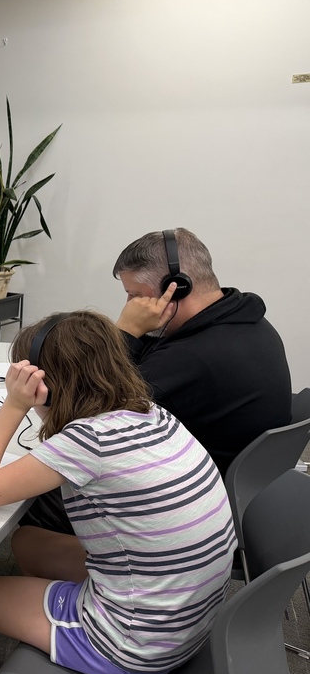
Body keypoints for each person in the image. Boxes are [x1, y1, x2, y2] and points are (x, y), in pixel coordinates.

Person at [0, 311, 237, 674]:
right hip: (189, 619)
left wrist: (14, 405)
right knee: (27, 542)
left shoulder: (87, 442)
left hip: (135, 644)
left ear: (44, 382)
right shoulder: (152, 415)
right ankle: (57, 659)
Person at [15, 228, 291, 557]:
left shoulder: (193, 358)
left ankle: (69, 582)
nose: (130, 305)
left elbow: (91, 416)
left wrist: (126, 331)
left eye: (134, 295)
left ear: (176, 288)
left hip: (184, 508)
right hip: (237, 487)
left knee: (31, 497)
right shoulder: (244, 321)